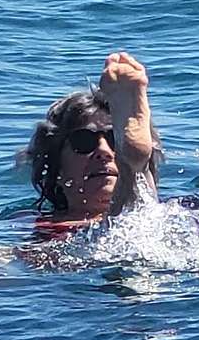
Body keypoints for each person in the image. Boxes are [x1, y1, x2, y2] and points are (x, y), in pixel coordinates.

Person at [23, 51, 158, 225]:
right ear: (56, 165)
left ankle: (134, 167)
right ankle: (134, 166)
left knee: (138, 214)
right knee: (138, 217)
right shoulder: (43, 226)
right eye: (84, 141)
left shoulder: (33, 224)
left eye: (113, 140)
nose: (103, 151)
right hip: (154, 231)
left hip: (89, 238)